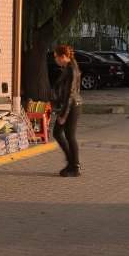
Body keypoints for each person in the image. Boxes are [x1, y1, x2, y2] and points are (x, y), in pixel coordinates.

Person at [51, 45, 82, 177]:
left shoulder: (71, 70)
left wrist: (64, 114)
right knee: (63, 134)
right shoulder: (70, 67)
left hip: (72, 106)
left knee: (65, 134)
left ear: (63, 57)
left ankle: (74, 166)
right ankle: (72, 163)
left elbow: (70, 94)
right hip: (71, 105)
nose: (55, 60)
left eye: (56, 57)